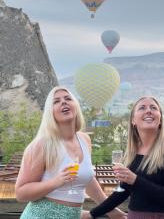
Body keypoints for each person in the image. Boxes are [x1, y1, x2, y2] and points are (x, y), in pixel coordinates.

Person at [15, 86, 126, 219]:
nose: (63, 102)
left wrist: (111, 209)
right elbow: (21, 193)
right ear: (50, 112)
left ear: (76, 106)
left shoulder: (85, 140)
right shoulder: (42, 145)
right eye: (56, 101)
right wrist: (55, 182)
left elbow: (88, 181)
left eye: (68, 98)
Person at [81, 96, 164, 219]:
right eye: (142, 108)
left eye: (153, 108)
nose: (148, 110)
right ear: (133, 121)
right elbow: (121, 193)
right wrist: (91, 214)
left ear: (160, 119)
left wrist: (135, 180)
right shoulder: (133, 152)